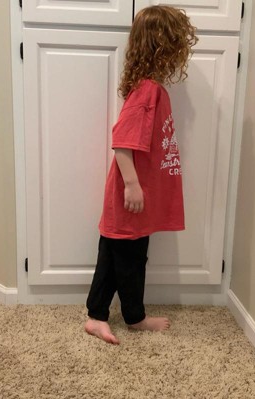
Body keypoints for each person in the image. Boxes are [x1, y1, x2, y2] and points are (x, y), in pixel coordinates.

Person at [84, 5, 198, 345]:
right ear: (164, 47)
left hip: (136, 195)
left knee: (112, 253)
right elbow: (122, 142)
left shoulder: (149, 89)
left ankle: (96, 316)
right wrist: (133, 186)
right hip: (132, 196)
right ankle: (135, 316)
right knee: (131, 258)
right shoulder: (148, 91)